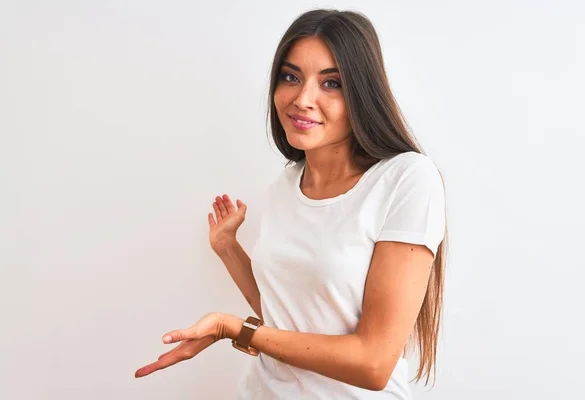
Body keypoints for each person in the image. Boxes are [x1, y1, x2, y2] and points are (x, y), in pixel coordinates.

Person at [134, 8, 448, 399]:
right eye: (291, 77)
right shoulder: (285, 184)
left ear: (363, 92)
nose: (303, 99)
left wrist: (235, 329)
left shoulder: (406, 179)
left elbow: (374, 364)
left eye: (331, 83)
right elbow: (283, 316)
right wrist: (228, 249)